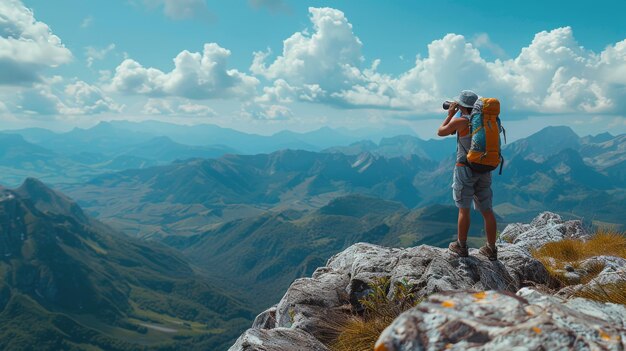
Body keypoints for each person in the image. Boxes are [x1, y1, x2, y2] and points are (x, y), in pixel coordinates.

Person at [436, 90, 498, 261]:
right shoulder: (486, 123)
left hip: (465, 169)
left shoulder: (461, 121)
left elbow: (441, 132)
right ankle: (491, 249)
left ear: (461, 106)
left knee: (464, 209)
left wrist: (450, 114)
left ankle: (461, 246)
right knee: (487, 210)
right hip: (485, 168)